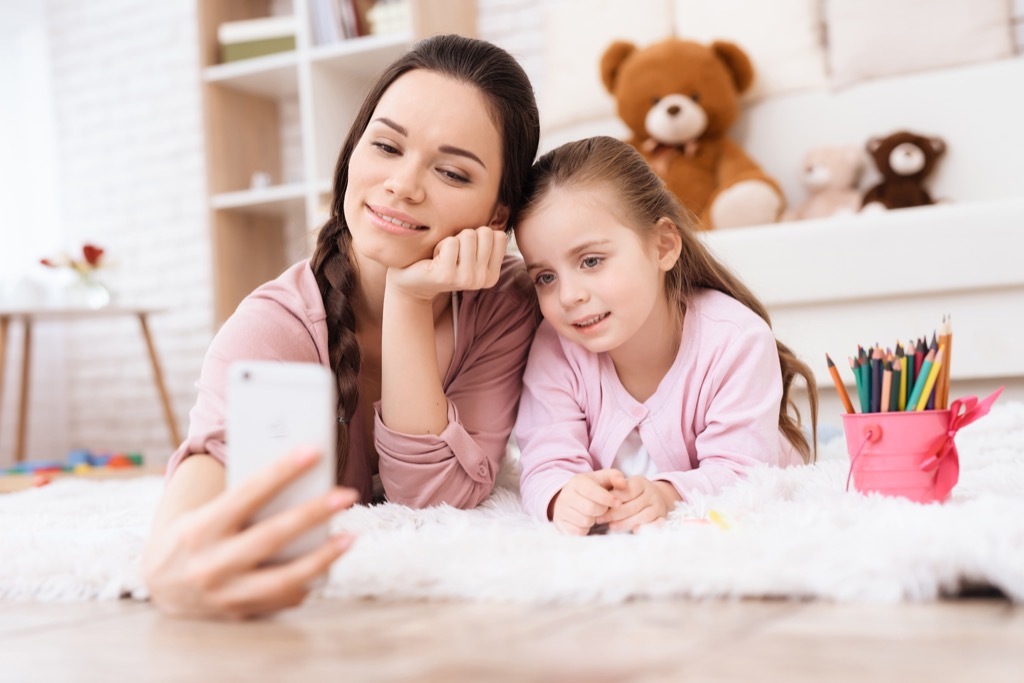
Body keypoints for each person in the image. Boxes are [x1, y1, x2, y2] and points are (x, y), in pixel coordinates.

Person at [142, 35, 540, 618]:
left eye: (453, 173)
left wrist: (406, 299)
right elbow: (214, 461)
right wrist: (167, 561)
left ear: (497, 216)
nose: (403, 184)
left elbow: (435, 501)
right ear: (353, 152)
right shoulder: (273, 325)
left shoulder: (502, 304)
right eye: (385, 146)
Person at [512, 136, 818, 536]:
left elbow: (744, 474)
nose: (569, 296)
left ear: (663, 246)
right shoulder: (556, 347)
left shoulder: (735, 339)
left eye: (591, 261)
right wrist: (563, 495)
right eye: (545, 277)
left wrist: (667, 494)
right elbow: (544, 461)